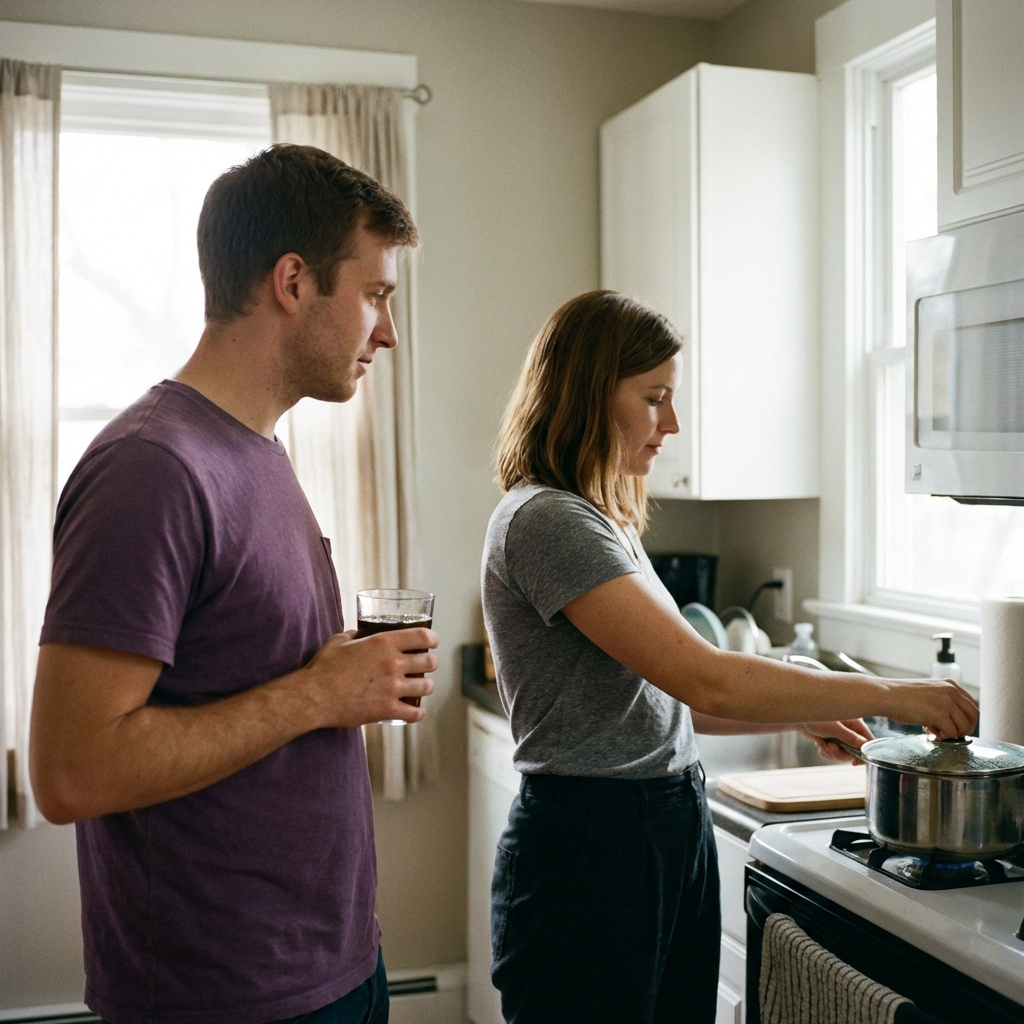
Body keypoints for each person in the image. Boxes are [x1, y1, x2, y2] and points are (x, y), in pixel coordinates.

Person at [480, 289, 978, 1024]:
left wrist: (819, 705)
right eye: (655, 398)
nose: (671, 424)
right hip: (593, 846)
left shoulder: (602, 520)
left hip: (659, 827)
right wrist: (891, 693)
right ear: (589, 393)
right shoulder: (547, 519)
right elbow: (703, 672)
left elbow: (678, 704)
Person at [29, 144, 438, 1024]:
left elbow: (243, 666)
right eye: (375, 296)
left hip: (333, 965)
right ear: (293, 281)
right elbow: (70, 771)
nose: (389, 332)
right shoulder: (151, 468)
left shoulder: (255, 450)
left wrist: (330, 678)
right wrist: (317, 694)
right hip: (222, 996)